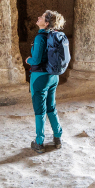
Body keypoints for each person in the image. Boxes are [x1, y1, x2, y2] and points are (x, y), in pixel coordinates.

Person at [25, 10, 66, 152]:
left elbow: (35, 60)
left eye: (41, 17)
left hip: (40, 78)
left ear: (46, 23)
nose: (38, 17)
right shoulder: (54, 35)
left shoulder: (40, 37)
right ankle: (58, 137)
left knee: (39, 111)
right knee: (51, 107)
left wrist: (28, 60)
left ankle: (39, 142)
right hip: (53, 76)